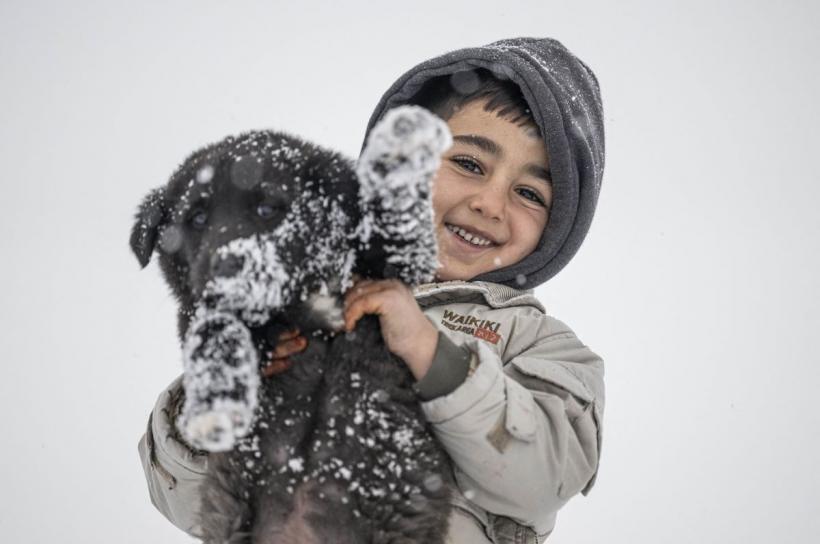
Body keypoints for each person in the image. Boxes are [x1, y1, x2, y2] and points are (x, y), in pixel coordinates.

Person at [138, 37, 605, 543]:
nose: (490, 204)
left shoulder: (542, 346)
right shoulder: (308, 305)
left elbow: (541, 478)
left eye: (530, 193)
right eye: (469, 164)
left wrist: (433, 354)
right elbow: (184, 501)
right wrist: (209, 410)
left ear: (557, 227)